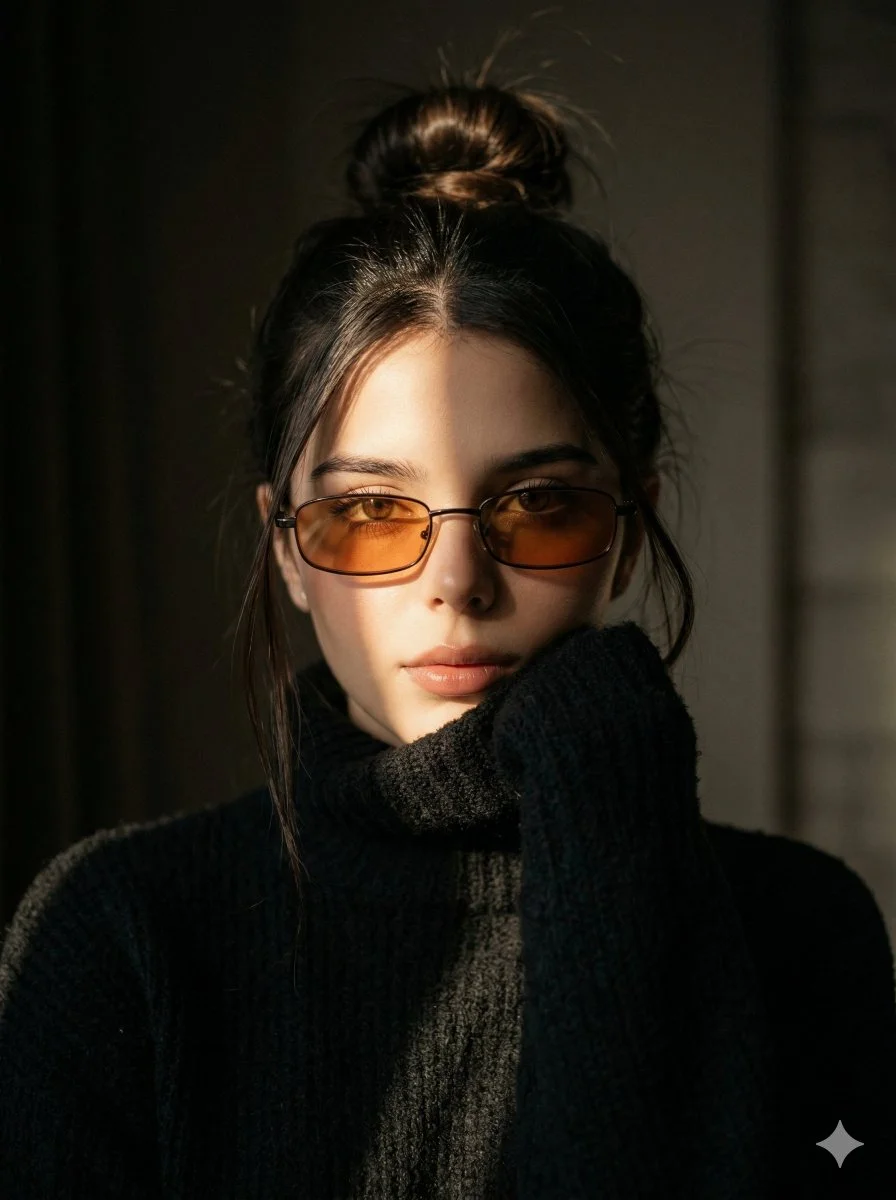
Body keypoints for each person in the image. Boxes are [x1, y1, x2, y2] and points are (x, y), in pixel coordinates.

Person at [1, 78, 894, 1200]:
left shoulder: (798, 930)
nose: (457, 583)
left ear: (628, 530)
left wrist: (610, 834)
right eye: (370, 513)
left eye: (537, 506)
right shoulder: (122, 935)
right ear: (285, 542)